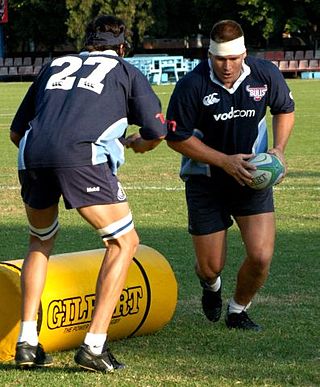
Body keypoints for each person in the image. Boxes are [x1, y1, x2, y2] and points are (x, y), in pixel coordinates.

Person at [10, 14, 167, 372]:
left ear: (87, 42)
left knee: (39, 241)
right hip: (81, 155)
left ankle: (27, 342)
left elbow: (17, 132)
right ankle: (94, 346)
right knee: (123, 243)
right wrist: (137, 145)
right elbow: (157, 130)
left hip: (32, 153)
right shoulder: (125, 71)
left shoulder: (54, 66)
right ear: (122, 48)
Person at [165, 20, 294, 331]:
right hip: (205, 182)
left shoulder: (264, 74)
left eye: (233, 59)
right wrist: (224, 161)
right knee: (211, 268)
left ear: (244, 54)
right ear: (210, 55)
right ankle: (211, 288)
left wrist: (278, 148)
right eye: (220, 59)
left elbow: (284, 109)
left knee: (261, 256)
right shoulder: (191, 85)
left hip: (252, 178)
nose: (227, 66)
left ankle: (237, 311)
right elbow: (176, 137)